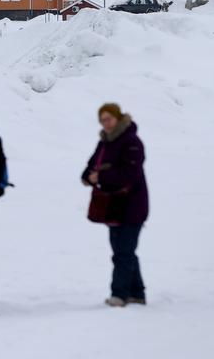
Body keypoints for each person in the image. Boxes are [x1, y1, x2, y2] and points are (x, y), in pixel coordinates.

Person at [81, 103, 149, 308]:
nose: (106, 123)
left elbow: (130, 174)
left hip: (133, 205)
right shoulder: (105, 143)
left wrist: (100, 176)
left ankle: (119, 295)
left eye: (109, 118)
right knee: (124, 251)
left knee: (123, 252)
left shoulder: (132, 142)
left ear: (118, 118)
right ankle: (137, 293)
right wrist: (87, 177)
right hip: (113, 206)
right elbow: (91, 166)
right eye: (102, 120)